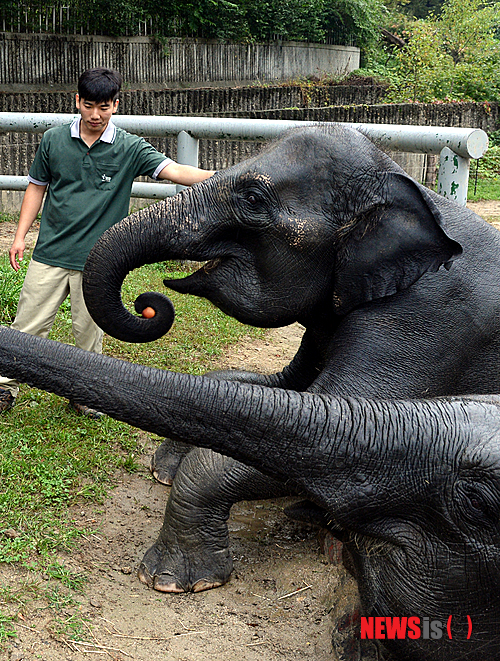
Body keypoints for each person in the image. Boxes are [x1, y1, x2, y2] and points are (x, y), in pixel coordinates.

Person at [0, 67, 214, 417]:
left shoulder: (129, 147)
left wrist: (224, 179)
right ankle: (4, 387)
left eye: (104, 106)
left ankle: (83, 393)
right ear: (77, 102)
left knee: (89, 334)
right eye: (88, 105)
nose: (95, 115)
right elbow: (37, 186)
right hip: (50, 253)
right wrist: (20, 236)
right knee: (26, 328)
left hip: (99, 261)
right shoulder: (53, 140)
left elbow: (174, 171)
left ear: (116, 105)